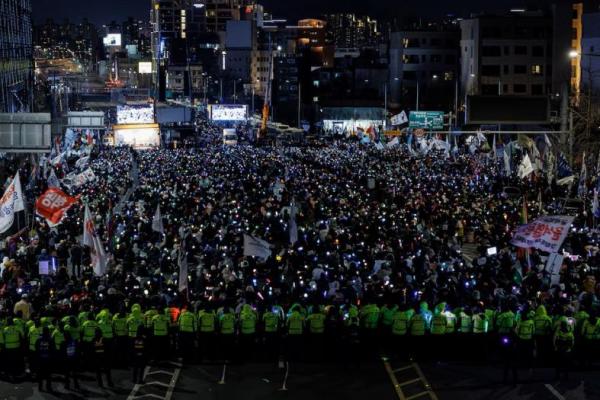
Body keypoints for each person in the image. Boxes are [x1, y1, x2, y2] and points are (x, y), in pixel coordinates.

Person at [36, 326, 55, 392]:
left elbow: (37, 349)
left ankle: (40, 387)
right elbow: (53, 350)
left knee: (40, 374)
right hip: (48, 359)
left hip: (41, 359)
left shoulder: (39, 339)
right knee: (48, 374)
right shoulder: (50, 339)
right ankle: (48, 387)